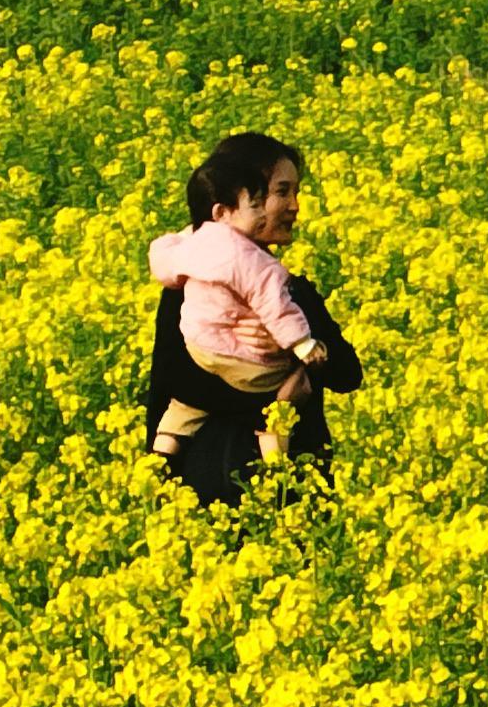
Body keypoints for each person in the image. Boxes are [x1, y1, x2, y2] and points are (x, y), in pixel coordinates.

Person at [139, 135, 364, 507]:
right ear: (226, 207)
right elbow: (174, 383)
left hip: (295, 496)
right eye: (280, 192)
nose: (294, 206)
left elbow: (347, 372)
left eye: (296, 191)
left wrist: (298, 356)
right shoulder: (189, 293)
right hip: (210, 495)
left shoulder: (293, 291)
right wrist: (280, 396)